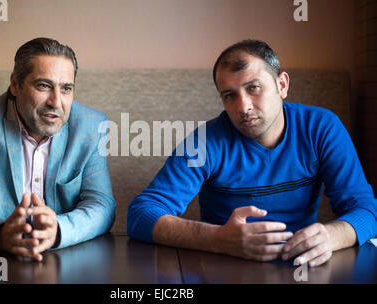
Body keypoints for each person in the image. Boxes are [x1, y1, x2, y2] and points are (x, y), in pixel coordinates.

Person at [127, 39, 377, 267]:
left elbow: (367, 209)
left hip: (303, 266)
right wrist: (217, 239)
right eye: (230, 96)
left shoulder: (321, 128)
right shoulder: (204, 143)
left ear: (282, 85)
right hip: (227, 267)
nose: (243, 106)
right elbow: (140, 214)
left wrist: (333, 235)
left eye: (254, 88)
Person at [0, 37, 116, 262]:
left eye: (66, 89)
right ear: (15, 84)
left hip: (66, 263)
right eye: (44, 86)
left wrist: (58, 231)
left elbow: (102, 206)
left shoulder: (92, 127)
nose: (56, 101)